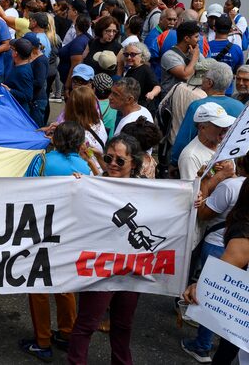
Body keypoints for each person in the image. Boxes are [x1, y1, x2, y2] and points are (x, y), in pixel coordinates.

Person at [68, 134, 145, 365]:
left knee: (123, 325)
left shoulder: (150, 191)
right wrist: (72, 188)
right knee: (86, 325)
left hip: (131, 268)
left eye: (120, 161)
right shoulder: (93, 185)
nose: (112, 163)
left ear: (134, 164)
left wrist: (194, 200)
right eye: (109, 158)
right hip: (99, 267)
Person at [20, 121, 84, 361]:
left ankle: (42, 341)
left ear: (55, 139)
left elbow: (25, 190)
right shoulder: (86, 167)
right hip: (71, 233)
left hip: (42, 230)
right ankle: (68, 334)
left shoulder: (43, 161)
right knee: (65, 285)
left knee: (38, 286)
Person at [181, 155, 246, 362]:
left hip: (216, 246)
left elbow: (203, 214)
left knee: (216, 304)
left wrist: (199, 285)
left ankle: (202, 345)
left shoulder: (243, 230)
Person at [171, 62, 244, 168]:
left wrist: (174, 162)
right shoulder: (240, 107)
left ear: (209, 82)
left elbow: (185, 137)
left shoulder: (198, 106)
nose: (201, 81)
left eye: (204, 78)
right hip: (234, 163)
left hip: (199, 164)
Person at [178, 103, 236, 181]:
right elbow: (192, 191)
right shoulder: (190, 156)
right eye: (219, 125)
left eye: (226, 125)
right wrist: (222, 175)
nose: (225, 128)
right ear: (202, 128)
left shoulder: (223, 144)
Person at [161, 20, 201, 96]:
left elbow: (207, 70)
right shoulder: (169, 56)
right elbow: (186, 75)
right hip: (172, 100)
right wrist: (195, 57)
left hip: (189, 97)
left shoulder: (194, 51)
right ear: (186, 38)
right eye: (196, 37)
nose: (198, 39)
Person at [208, 14, 245, 94]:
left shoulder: (206, 46)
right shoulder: (237, 49)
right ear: (231, 30)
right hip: (227, 92)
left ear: (214, 28)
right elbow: (239, 72)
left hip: (208, 91)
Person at [59, 14, 93, 95]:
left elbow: (75, 65)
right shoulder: (87, 38)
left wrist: (67, 86)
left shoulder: (78, 42)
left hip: (74, 85)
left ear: (76, 26)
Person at [120, 42, 160, 107]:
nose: (129, 57)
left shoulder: (145, 70)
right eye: (126, 54)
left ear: (142, 55)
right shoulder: (130, 70)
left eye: (133, 54)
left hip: (143, 108)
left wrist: (151, 94)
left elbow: (157, 87)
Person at [22, 32, 49, 126]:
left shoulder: (40, 60)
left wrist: (23, 82)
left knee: (36, 128)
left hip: (37, 100)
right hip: (32, 99)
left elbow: (39, 82)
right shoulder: (32, 57)